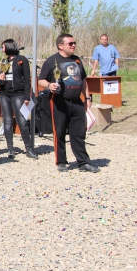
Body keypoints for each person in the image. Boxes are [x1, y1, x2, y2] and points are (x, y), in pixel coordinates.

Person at [38, 33, 101, 173]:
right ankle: (61, 161)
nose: (73, 45)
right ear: (60, 46)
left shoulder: (76, 60)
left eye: (74, 43)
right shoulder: (51, 61)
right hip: (59, 102)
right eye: (70, 43)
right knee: (59, 132)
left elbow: (83, 80)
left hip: (77, 101)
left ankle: (83, 162)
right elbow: (41, 80)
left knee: (79, 133)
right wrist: (49, 85)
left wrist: (88, 98)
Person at [0, 39, 38, 159]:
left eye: (3, 47)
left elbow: (27, 80)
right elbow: (0, 80)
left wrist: (26, 97)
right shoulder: (4, 60)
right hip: (4, 93)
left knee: (22, 121)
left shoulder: (22, 60)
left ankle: (29, 149)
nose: (2, 49)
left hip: (18, 93)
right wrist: (0, 78)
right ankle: (10, 148)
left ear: (9, 46)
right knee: (8, 121)